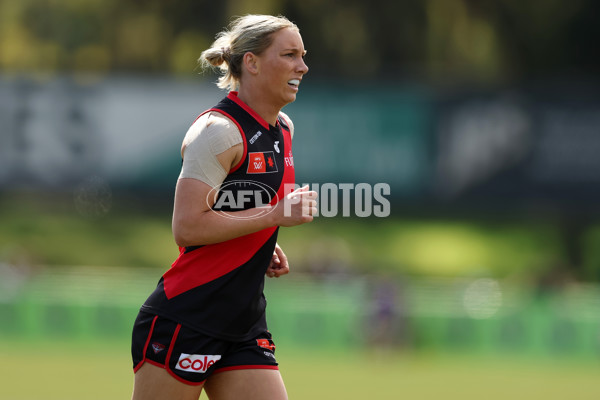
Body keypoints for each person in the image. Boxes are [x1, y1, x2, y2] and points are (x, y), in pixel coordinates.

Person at [130, 14, 316, 400]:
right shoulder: (217, 132)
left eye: (302, 55)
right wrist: (273, 216)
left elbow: (236, 206)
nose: (303, 66)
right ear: (251, 62)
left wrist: (261, 241)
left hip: (244, 323)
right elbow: (187, 227)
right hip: (187, 316)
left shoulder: (284, 129)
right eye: (289, 55)